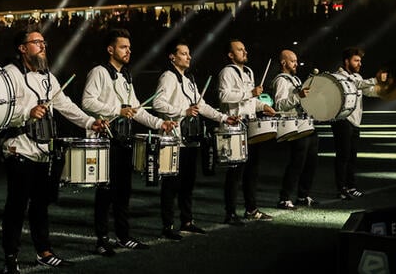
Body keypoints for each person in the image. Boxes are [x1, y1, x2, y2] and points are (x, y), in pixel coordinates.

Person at [0, 27, 107, 274]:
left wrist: (91, 122)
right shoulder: (10, 74)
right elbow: (1, 111)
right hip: (18, 149)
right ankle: (10, 257)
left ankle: (44, 252)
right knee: (16, 206)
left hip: (42, 151)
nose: (43, 46)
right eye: (36, 42)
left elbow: (66, 106)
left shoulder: (48, 76)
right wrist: (27, 113)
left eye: (43, 42)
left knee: (40, 205)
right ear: (22, 48)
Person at [81, 28, 177, 257]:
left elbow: (136, 109)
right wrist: (117, 110)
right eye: (123, 47)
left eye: (129, 48)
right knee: (105, 193)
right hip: (106, 140)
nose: (128, 51)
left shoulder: (126, 76)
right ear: (110, 49)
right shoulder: (99, 72)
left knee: (124, 191)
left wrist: (159, 123)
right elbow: (87, 101)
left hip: (124, 140)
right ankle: (102, 240)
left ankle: (124, 236)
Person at [152, 39, 238, 240]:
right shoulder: (168, 76)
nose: (189, 56)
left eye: (189, 53)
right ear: (172, 57)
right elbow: (157, 103)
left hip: (190, 139)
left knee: (188, 183)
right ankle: (168, 225)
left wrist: (224, 117)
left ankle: (187, 221)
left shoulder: (189, 78)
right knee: (171, 184)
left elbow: (202, 106)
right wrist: (183, 110)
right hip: (173, 139)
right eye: (183, 53)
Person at [217, 39, 276, 225]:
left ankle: (251, 208)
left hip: (251, 126)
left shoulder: (249, 71)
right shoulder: (227, 71)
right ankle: (230, 212)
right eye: (240, 49)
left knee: (252, 171)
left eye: (244, 48)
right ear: (231, 54)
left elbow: (251, 101)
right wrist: (250, 93)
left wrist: (263, 105)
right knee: (235, 172)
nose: (245, 52)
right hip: (234, 127)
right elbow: (224, 96)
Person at [331, 46, 383, 200]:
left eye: (360, 60)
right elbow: (356, 85)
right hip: (342, 120)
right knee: (343, 155)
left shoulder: (358, 77)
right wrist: (376, 79)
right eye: (356, 60)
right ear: (347, 61)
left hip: (355, 122)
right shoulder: (339, 76)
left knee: (352, 156)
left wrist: (387, 88)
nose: (360, 63)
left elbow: (369, 90)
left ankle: (351, 187)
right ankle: (341, 188)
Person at [272, 49, 319, 209]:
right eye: (293, 61)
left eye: (296, 61)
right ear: (284, 62)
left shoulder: (295, 79)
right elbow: (278, 105)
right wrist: (298, 96)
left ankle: (303, 195)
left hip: (305, 124)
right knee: (297, 163)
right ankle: (284, 198)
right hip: (293, 126)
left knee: (310, 162)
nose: (296, 64)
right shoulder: (281, 80)